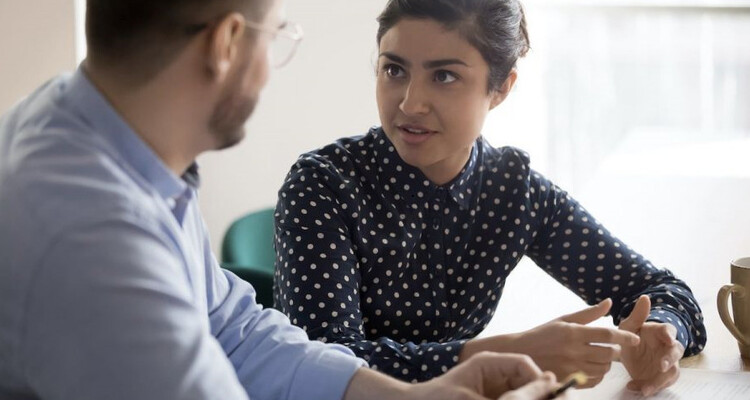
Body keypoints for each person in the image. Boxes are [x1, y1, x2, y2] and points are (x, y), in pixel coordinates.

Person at [0, 0, 565, 399]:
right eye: (276, 35)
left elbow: (234, 330)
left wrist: (406, 396)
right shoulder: (93, 239)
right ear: (226, 43)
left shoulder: (93, 132)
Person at [273, 0, 706, 396]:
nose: (410, 103)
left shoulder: (513, 194)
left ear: (500, 88)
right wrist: (510, 353)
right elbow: (321, 366)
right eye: (394, 70)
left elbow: (663, 290)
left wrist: (659, 336)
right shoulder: (322, 185)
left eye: (444, 76)